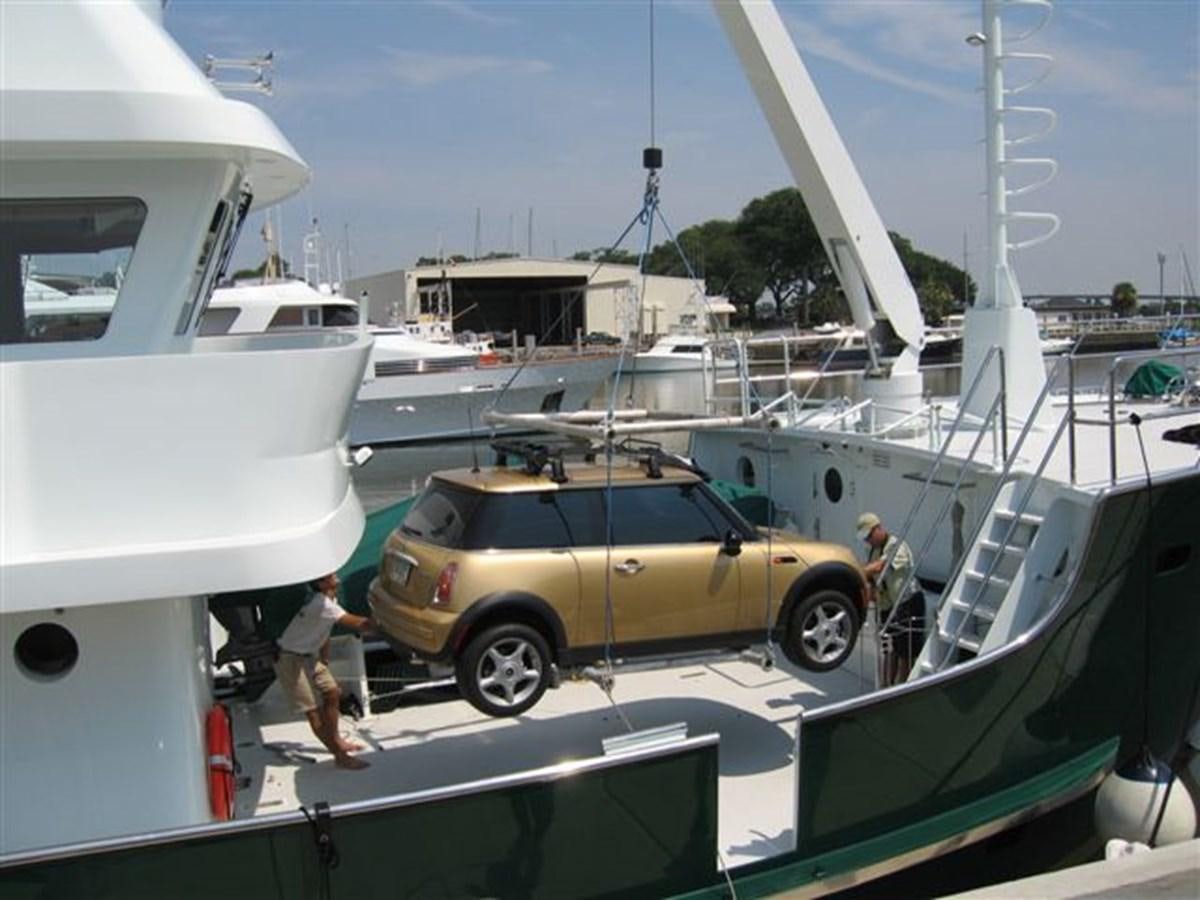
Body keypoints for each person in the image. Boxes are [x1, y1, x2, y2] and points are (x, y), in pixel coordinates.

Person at [274, 572, 374, 770]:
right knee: (313, 712)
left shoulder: (330, 600)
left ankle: (336, 739)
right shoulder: (321, 604)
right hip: (290, 659)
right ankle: (340, 755)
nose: (336, 575)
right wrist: (389, 619)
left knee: (332, 693)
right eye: (331, 575)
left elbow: (323, 629)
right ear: (320, 583)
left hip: (311, 656)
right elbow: (360, 624)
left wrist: (324, 658)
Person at [857, 512, 925, 687]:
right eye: (864, 538)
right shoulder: (873, 550)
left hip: (908, 603)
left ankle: (903, 688)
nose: (867, 541)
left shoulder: (897, 545)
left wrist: (856, 572)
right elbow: (872, 580)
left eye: (868, 536)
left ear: (878, 528)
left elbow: (881, 566)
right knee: (889, 650)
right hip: (888, 605)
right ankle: (886, 686)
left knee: (905, 653)